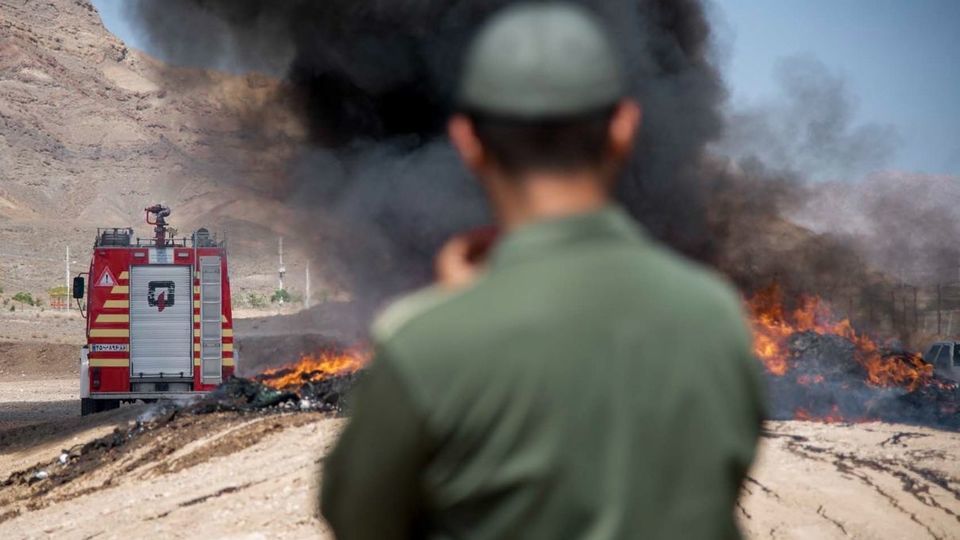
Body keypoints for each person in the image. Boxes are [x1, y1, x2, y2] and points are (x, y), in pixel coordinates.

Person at [321, 3, 765, 539]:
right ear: (624, 128)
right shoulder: (714, 320)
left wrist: (461, 310)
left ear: (468, 141)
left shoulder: (425, 343)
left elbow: (358, 517)